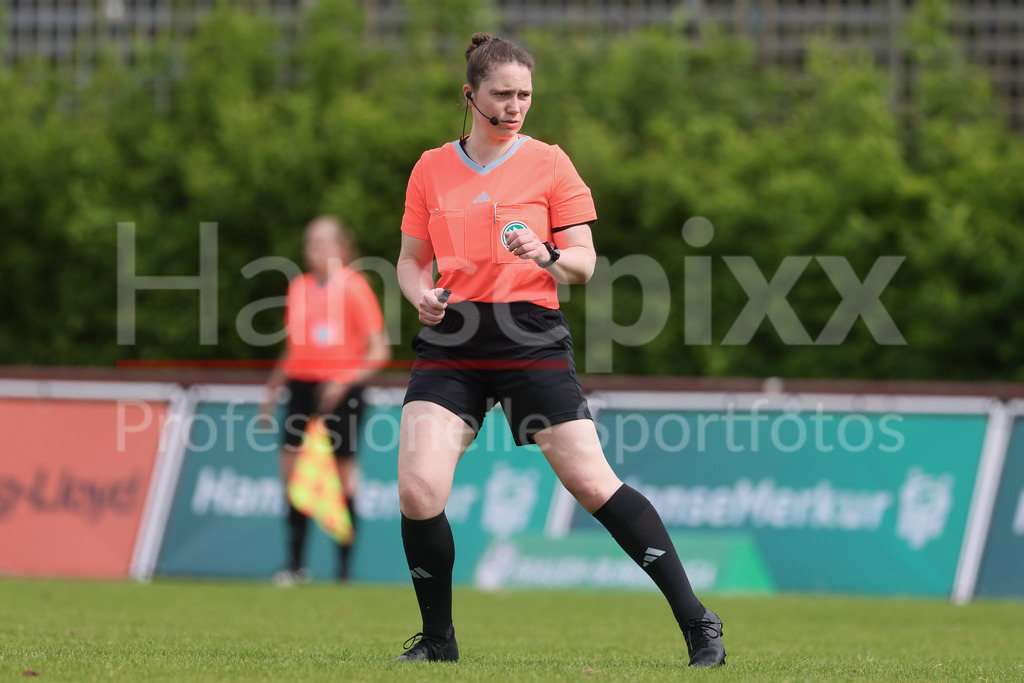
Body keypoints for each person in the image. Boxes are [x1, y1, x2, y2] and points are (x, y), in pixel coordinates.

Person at [392, 33, 726, 667]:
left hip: (528, 333)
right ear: (470, 95)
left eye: (524, 94)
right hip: (453, 338)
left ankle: (697, 621)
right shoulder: (431, 167)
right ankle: (438, 641)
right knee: (417, 490)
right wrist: (420, 297)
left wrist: (546, 254)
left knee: (592, 483)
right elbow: (411, 262)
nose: (515, 106)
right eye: (502, 94)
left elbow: (584, 265)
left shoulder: (550, 163)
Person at [260, 216, 390, 585]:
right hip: (301, 387)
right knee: (293, 476)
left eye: (321, 243)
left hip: (342, 393)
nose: (312, 250)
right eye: (309, 242)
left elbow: (379, 351)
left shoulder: (355, 287)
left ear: (341, 248)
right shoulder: (299, 287)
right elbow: (293, 347)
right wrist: (271, 393)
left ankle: (344, 570)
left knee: (344, 479)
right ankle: (295, 566)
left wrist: (344, 380)